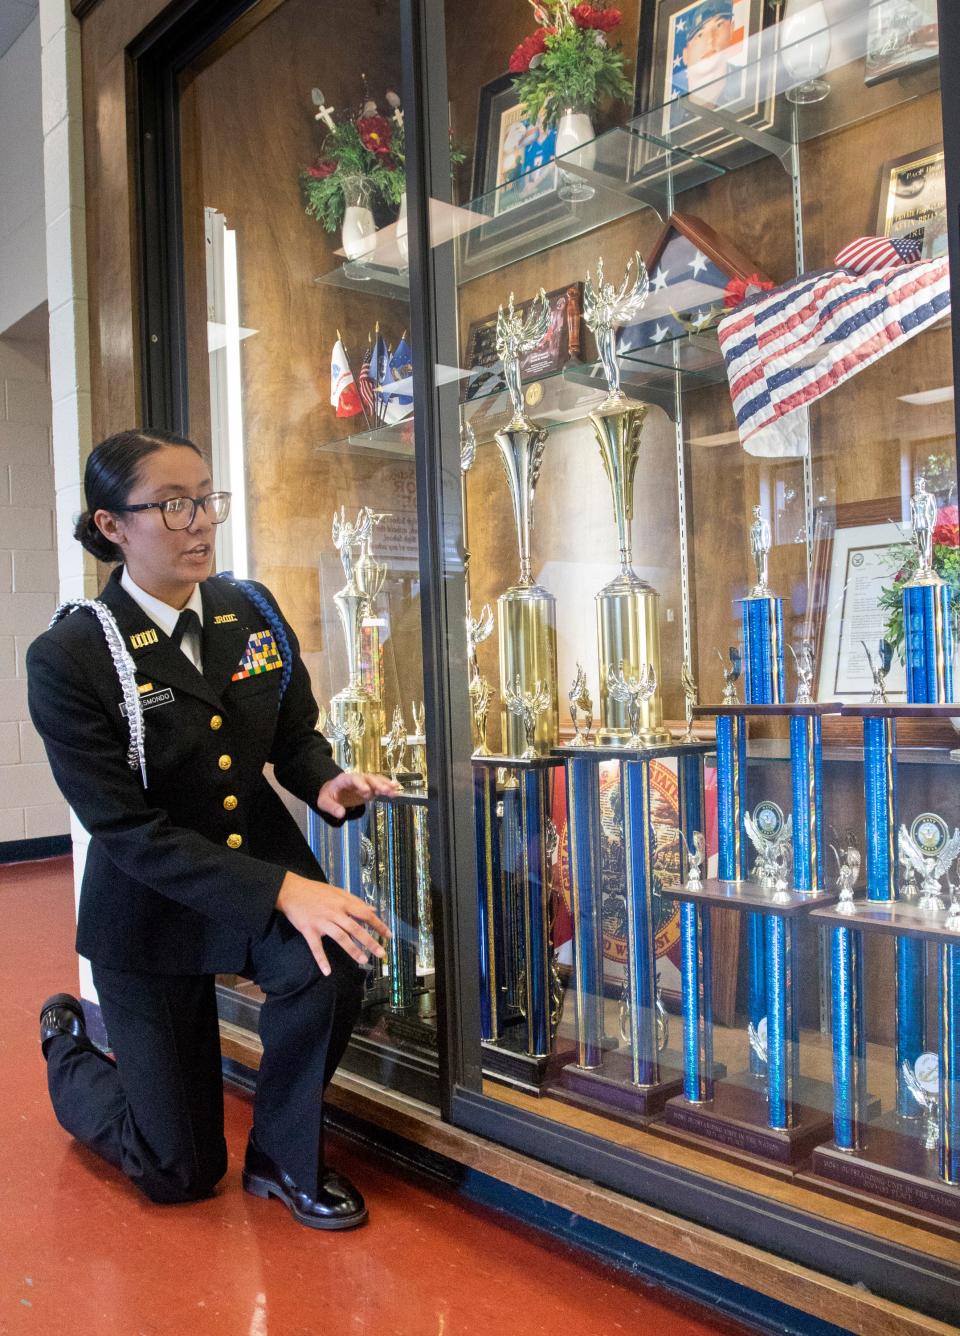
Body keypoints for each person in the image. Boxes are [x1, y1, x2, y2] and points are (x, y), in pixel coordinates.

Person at [28, 427, 399, 1230]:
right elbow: (125, 830)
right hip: (148, 903)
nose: (199, 521)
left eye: (204, 499)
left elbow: (292, 735)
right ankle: (66, 1043)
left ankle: (281, 1154)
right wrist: (284, 887)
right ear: (111, 527)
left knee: (331, 963)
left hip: (256, 863)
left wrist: (326, 781)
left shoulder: (251, 611)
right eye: (171, 505)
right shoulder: (71, 656)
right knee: (179, 1172)